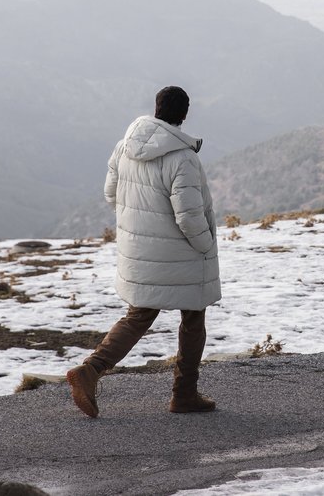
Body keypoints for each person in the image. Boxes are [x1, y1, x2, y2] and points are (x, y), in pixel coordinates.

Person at [66, 86, 221, 418]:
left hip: (139, 251)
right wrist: (206, 247)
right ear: (184, 113)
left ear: (156, 108)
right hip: (181, 254)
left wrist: (142, 227)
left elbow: (111, 194)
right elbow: (189, 216)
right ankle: (184, 394)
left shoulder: (124, 147)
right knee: (193, 318)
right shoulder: (183, 157)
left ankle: (91, 370)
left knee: (138, 316)